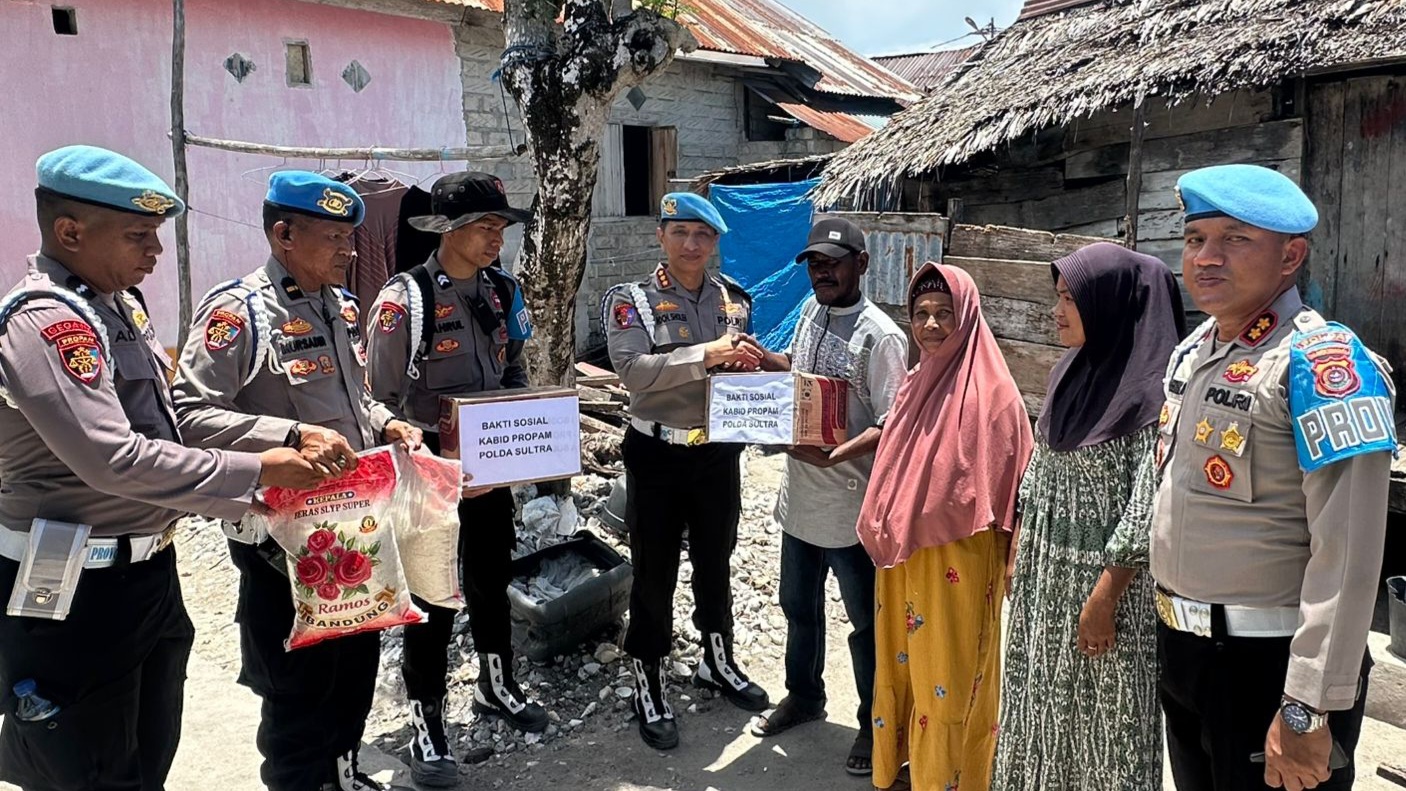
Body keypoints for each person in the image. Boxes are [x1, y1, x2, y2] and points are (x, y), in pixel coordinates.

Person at [0, 146, 323, 791]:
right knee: (86, 770)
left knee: (146, 761)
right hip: (73, 588)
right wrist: (256, 472)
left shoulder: (116, 307)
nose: (155, 252)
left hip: (147, 571)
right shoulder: (45, 322)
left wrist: (284, 435)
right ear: (69, 233)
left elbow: (171, 424)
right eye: (137, 235)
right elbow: (113, 459)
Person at [170, 171, 422, 791]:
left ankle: (343, 771)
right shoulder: (239, 312)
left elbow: (357, 400)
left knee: (355, 664)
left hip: (354, 528)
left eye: (351, 237)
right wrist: (287, 436)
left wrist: (389, 423)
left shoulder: (341, 305)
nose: (350, 251)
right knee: (298, 681)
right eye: (335, 237)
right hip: (282, 541)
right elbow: (189, 414)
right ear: (284, 234)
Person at [1151, 164, 1394, 791]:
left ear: (1291, 256)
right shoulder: (1196, 349)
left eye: (1234, 239)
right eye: (1195, 238)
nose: (1205, 258)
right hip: (1186, 650)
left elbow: (1348, 555)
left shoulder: (1323, 363)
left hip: (1270, 666)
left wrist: (1310, 704)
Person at [365, 171, 543, 788]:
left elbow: (515, 369)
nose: (496, 237)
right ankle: (427, 718)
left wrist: (520, 442)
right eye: (483, 226)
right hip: (428, 469)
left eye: (501, 226)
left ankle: (498, 685)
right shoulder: (405, 299)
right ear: (447, 230)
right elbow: (376, 401)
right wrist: (415, 452)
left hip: (492, 463)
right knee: (431, 597)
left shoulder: (503, 291)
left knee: (492, 577)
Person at [993, 242, 1186, 791]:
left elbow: (1145, 510)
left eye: (1071, 299)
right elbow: (1038, 472)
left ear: (1112, 305)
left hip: (1106, 598)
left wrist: (1103, 601)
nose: (1056, 311)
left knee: (1104, 730)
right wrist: (1018, 552)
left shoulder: (1151, 399)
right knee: (1039, 717)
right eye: (1057, 296)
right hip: (1043, 588)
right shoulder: (1068, 374)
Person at [603, 192, 775, 750]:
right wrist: (707, 355)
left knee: (715, 558)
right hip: (656, 454)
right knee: (654, 571)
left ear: (716, 242)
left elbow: (744, 374)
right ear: (661, 236)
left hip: (717, 452)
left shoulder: (736, 302)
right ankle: (647, 677)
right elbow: (632, 371)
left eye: (703, 235)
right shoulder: (631, 301)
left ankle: (716, 660)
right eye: (680, 232)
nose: (692, 244)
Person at [856, 262, 1032, 791]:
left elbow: (1014, 489)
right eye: (921, 315)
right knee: (907, 669)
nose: (931, 326)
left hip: (959, 562)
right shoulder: (915, 383)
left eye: (944, 314)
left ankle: (953, 778)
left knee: (953, 680)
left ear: (968, 316)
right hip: (904, 558)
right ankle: (909, 766)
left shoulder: (994, 395)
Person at [748, 216, 908, 777]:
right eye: (814, 263)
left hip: (851, 505)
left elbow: (892, 422)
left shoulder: (881, 335)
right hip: (801, 500)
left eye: (832, 263)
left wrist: (837, 456)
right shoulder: (813, 313)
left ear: (860, 265)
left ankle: (872, 721)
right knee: (798, 606)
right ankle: (804, 695)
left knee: (865, 622)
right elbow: (801, 378)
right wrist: (764, 362)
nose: (822, 272)